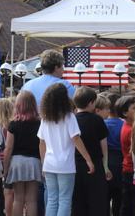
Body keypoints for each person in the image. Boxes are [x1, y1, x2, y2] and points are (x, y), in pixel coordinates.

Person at [38, 83, 94, 216]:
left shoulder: (45, 118)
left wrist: (43, 163)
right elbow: (76, 139)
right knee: (64, 200)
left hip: (49, 163)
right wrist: (88, 159)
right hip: (65, 164)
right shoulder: (69, 117)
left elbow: (42, 143)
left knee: (52, 199)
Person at [73, 87, 110, 216]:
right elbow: (104, 146)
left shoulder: (71, 120)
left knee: (77, 201)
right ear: (90, 104)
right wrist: (104, 166)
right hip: (95, 162)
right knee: (97, 201)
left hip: (75, 163)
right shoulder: (97, 120)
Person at [5, 90, 43, 216]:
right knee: (31, 200)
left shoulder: (13, 124)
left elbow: (9, 148)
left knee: (18, 199)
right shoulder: (40, 123)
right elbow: (42, 144)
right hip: (35, 162)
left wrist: (5, 168)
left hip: (17, 162)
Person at [119, 96, 135, 216]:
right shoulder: (131, 130)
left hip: (128, 168)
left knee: (128, 202)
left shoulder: (129, 127)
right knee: (134, 204)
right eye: (134, 108)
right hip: (133, 169)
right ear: (125, 113)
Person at [105, 94, 125, 216]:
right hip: (121, 163)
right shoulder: (125, 126)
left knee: (104, 198)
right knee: (119, 198)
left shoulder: (102, 123)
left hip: (105, 162)